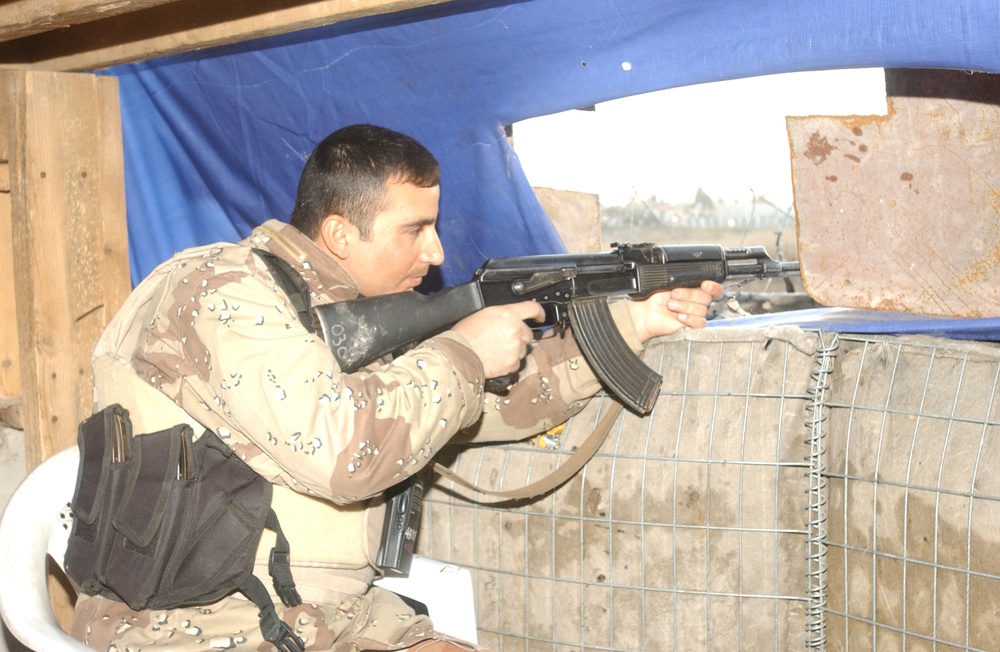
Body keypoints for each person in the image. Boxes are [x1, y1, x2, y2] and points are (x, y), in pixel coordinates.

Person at [71, 123, 723, 651]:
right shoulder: (219, 293)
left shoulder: (358, 310)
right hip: (195, 626)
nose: (437, 253)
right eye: (415, 230)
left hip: (324, 613)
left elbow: (494, 404)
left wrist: (634, 323)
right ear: (339, 233)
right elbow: (342, 453)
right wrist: (464, 352)